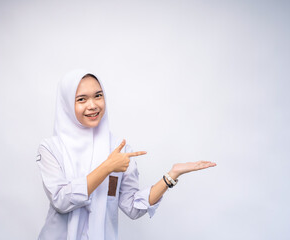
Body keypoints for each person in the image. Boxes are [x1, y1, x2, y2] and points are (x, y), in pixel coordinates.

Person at [36, 69, 216, 240]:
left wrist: (171, 176)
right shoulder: (51, 149)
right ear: (67, 104)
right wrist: (108, 167)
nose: (93, 105)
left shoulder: (119, 149)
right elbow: (61, 201)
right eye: (81, 99)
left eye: (98, 96)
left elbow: (132, 207)